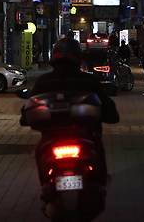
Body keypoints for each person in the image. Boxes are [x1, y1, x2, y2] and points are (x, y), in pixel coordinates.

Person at [26, 38, 120, 175]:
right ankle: (100, 180)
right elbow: (109, 110)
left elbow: (28, 108)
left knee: (40, 151)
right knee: (98, 153)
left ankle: (46, 184)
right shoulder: (89, 81)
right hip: (85, 136)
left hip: (52, 137)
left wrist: (26, 116)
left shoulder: (44, 81)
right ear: (78, 57)